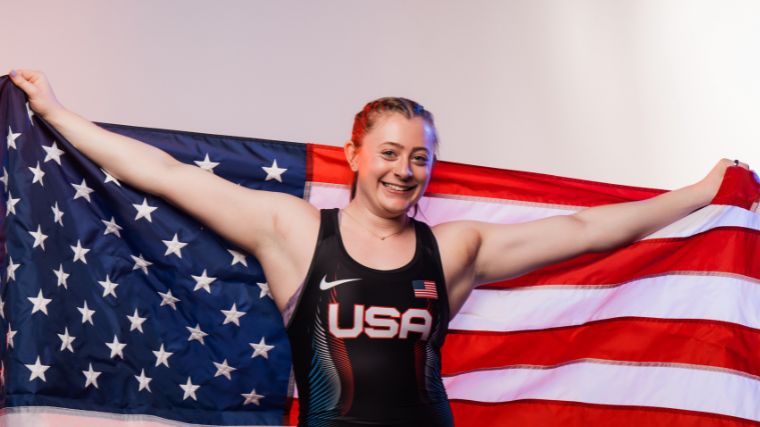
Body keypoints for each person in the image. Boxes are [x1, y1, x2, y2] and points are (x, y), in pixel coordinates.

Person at [8, 69, 752, 426]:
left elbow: (587, 232)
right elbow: (166, 175)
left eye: (420, 158)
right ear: (355, 154)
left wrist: (697, 193)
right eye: (390, 152)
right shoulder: (294, 233)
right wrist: (56, 113)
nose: (405, 170)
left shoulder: (455, 249)